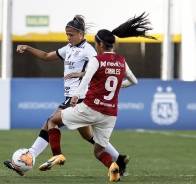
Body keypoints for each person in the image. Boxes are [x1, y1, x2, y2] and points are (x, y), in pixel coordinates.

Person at [4, 15, 130, 176]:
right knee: (90, 136)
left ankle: (29, 158)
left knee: (50, 122)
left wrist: (81, 73)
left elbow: (99, 67)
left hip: (79, 97)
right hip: (71, 97)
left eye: (71, 34)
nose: (68, 37)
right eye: (67, 34)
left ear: (81, 34)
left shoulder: (89, 50)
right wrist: (28, 48)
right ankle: (119, 158)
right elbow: (47, 57)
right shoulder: (68, 48)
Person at [38, 12, 156, 182]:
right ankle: (113, 166)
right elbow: (134, 81)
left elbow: (85, 80)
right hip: (110, 114)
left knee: (52, 121)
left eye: (96, 44)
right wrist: (118, 85)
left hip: (92, 108)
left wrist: (76, 95)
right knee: (99, 151)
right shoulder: (122, 61)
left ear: (100, 45)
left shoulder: (97, 60)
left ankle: (57, 155)